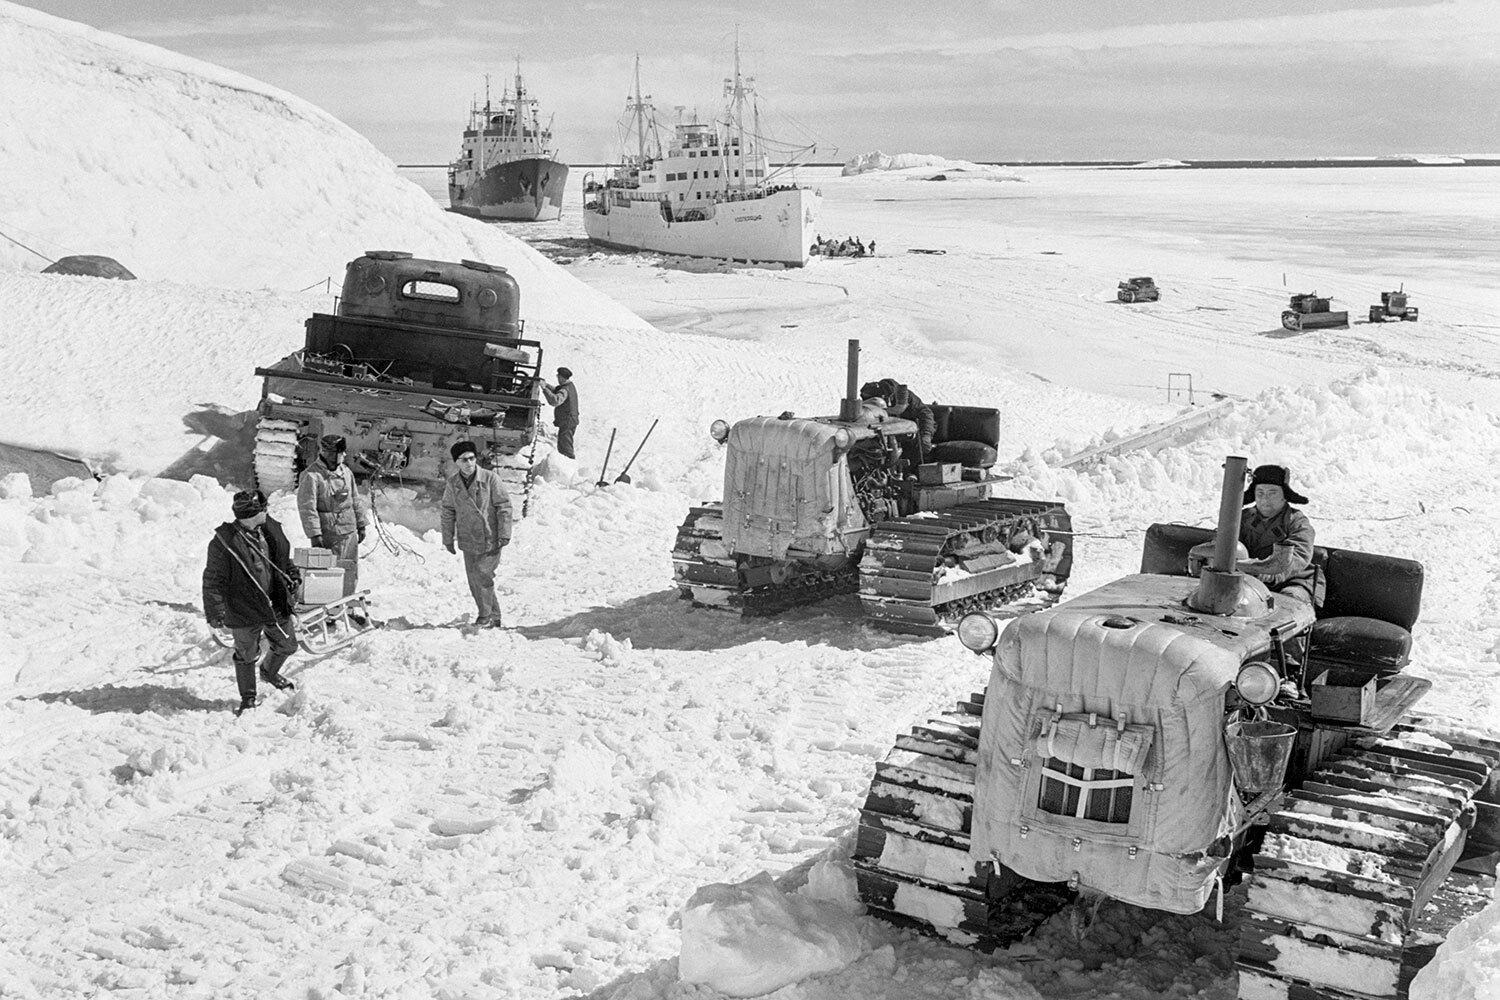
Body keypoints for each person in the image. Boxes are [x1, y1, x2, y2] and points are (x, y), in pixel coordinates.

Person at [203, 490, 300, 715]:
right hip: (243, 608)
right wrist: (215, 611)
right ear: (253, 513)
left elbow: (282, 558)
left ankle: (269, 672)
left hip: (274, 602)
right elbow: (213, 579)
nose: (268, 511)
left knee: (287, 645)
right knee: (246, 655)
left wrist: (292, 574)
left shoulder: (269, 529)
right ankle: (248, 697)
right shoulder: (224, 543)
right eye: (264, 508)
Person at [440, 440, 514, 628]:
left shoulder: (490, 479)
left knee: (482, 574)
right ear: (456, 462)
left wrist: (504, 533)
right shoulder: (453, 483)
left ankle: (485, 616)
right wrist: (448, 538)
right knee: (475, 579)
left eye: (472, 458)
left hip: (490, 536)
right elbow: (448, 510)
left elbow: (504, 506)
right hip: (468, 537)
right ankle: (494, 616)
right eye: (464, 460)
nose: (469, 463)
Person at [1238, 464, 1321, 606]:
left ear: (1284, 496)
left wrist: (1264, 573)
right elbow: (1224, 544)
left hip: (1294, 580)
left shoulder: (1297, 522)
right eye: (1260, 493)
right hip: (1250, 579)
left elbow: (1297, 558)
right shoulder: (1243, 518)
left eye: (1272, 493)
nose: (1265, 499)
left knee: (1287, 603)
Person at [297, 434, 366, 600]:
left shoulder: (346, 472)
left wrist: (361, 523)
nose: (344, 455)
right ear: (329, 454)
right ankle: (329, 604)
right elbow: (307, 508)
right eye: (341, 453)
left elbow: (355, 499)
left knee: (349, 569)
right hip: (329, 534)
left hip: (348, 531)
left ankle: (347, 601)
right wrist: (315, 535)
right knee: (330, 573)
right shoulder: (312, 476)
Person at [860, 377, 937, 466]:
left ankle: (910, 471)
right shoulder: (870, 399)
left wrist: (926, 435)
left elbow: (926, 414)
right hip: (885, 434)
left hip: (909, 435)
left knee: (917, 446)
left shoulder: (905, 397)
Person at [541, 367, 579, 459]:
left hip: (568, 421)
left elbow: (555, 401)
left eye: (558, 376)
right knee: (563, 445)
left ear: (561, 377)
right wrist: (546, 385)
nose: (557, 378)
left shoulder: (565, 390)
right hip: (570, 420)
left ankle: (568, 464)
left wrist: (544, 388)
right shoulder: (569, 386)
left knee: (565, 448)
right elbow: (556, 390)